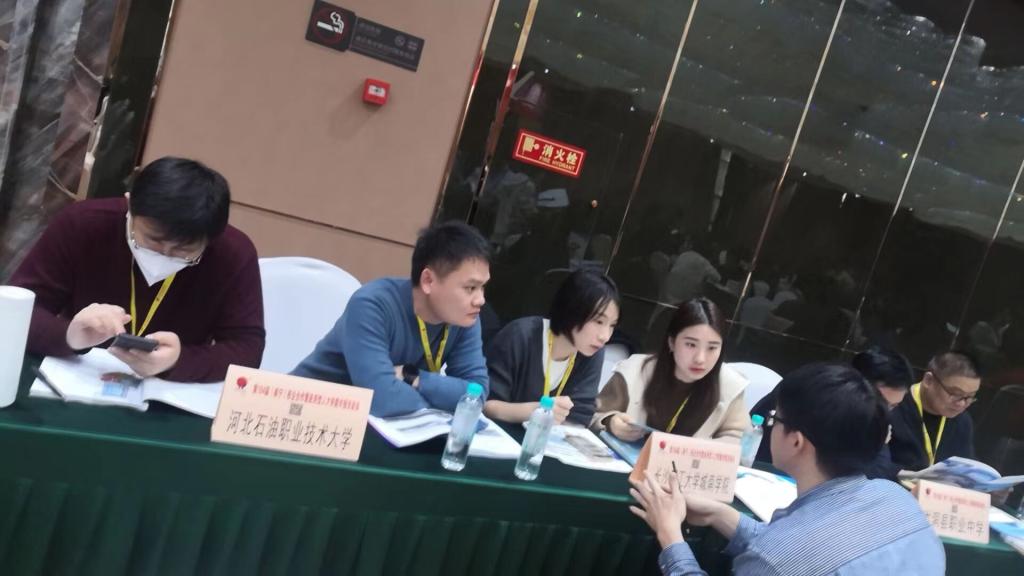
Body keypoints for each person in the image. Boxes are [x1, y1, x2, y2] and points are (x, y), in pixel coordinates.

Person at [629, 363, 945, 576]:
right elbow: (797, 548)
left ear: (796, 441)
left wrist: (671, 537)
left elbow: (786, 556)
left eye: (775, 419)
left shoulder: (776, 560)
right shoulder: (898, 501)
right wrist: (719, 515)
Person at [9, 156, 264, 382]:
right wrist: (69, 335)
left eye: (183, 249)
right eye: (152, 240)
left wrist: (179, 361)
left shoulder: (233, 253)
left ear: (211, 238)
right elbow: (12, 313)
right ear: (130, 205)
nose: (164, 254)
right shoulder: (83, 224)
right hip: (76, 376)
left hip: (169, 394)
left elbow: (247, 348)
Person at [291, 221, 490, 417]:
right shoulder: (372, 304)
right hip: (308, 413)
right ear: (428, 280)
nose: (480, 300)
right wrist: (444, 402)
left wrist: (413, 377)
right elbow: (382, 400)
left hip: (383, 424)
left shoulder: (465, 317)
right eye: (470, 288)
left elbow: (477, 394)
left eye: (483, 287)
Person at [592, 298, 749, 442]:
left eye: (712, 348)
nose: (700, 358)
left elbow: (739, 440)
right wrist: (611, 421)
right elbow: (592, 415)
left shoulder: (730, 385)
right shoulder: (634, 371)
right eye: (691, 345)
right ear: (672, 342)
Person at [484, 269, 620, 426]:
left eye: (612, 325)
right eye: (598, 321)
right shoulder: (521, 336)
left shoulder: (593, 352)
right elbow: (486, 404)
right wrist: (537, 411)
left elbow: (579, 417)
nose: (605, 336)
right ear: (572, 310)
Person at [750, 345, 914, 468]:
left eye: (893, 406)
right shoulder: (823, 402)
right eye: (881, 403)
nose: (885, 414)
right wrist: (878, 445)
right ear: (859, 384)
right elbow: (857, 478)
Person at [889, 351, 980, 472]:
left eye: (970, 397)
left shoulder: (962, 421)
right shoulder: (894, 406)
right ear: (928, 380)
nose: (962, 404)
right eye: (956, 394)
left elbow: (966, 464)